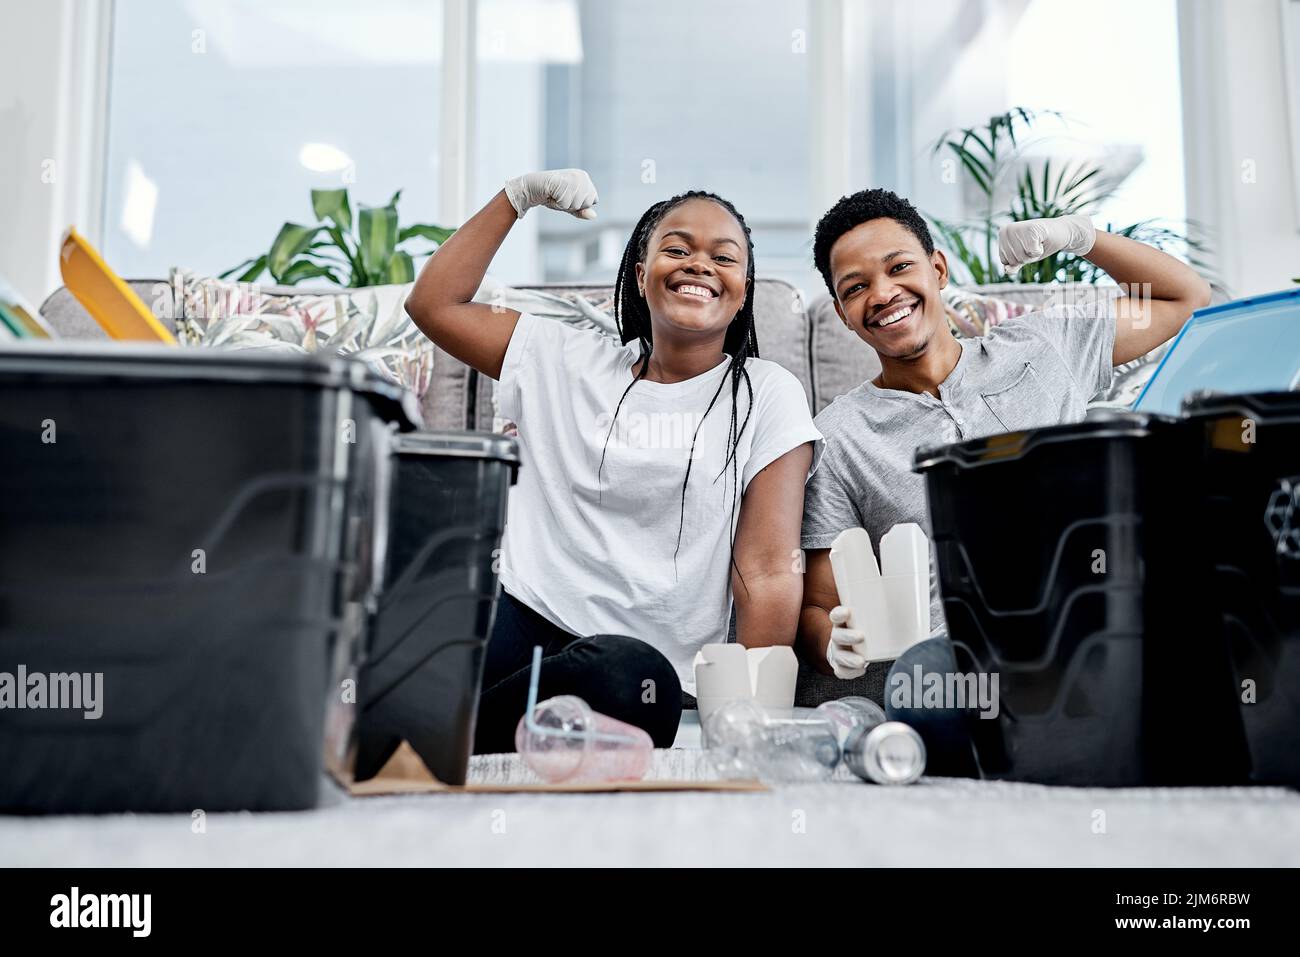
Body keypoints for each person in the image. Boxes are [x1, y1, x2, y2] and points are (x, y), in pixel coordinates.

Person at [406, 169, 822, 753]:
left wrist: (755, 718)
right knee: (419, 624)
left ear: (744, 289)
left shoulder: (765, 392)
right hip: (519, 616)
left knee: (632, 681)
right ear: (640, 275)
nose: (698, 264)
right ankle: (466, 727)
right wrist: (516, 198)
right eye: (675, 249)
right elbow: (433, 303)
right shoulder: (563, 357)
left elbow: (769, 569)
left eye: (723, 257)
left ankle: (432, 732)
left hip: (633, 666)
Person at [797, 187, 1211, 689]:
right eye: (856, 287)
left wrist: (1078, 236)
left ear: (939, 270)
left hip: (1083, 626)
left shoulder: (1044, 346)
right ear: (843, 314)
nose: (883, 294)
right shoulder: (838, 438)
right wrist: (835, 646)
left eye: (899, 267)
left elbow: (1183, 298)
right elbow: (819, 605)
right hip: (953, 664)